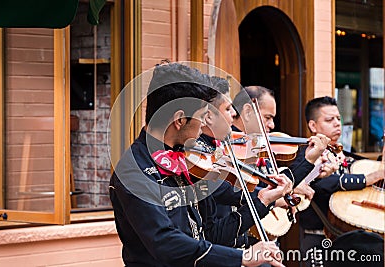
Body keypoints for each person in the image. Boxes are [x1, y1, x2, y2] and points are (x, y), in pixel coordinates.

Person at [109, 62, 284, 267]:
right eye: (202, 117)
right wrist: (241, 258)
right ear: (180, 120)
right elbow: (165, 243)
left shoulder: (189, 162)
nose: (203, 126)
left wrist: (262, 201)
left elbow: (211, 235)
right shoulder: (134, 172)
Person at [195, 77, 292, 249]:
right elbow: (224, 190)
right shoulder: (201, 154)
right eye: (228, 108)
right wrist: (269, 197)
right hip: (221, 248)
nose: (233, 113)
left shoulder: (222, 146)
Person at [293, 96, 384, 267]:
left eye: (338, 119)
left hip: (351, 239)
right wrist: (366, 179)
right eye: (329, 119)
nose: (337, 123)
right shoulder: (306, 156)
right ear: (313, 125)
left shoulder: (344, 155)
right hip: (318, 238)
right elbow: (324, 183)